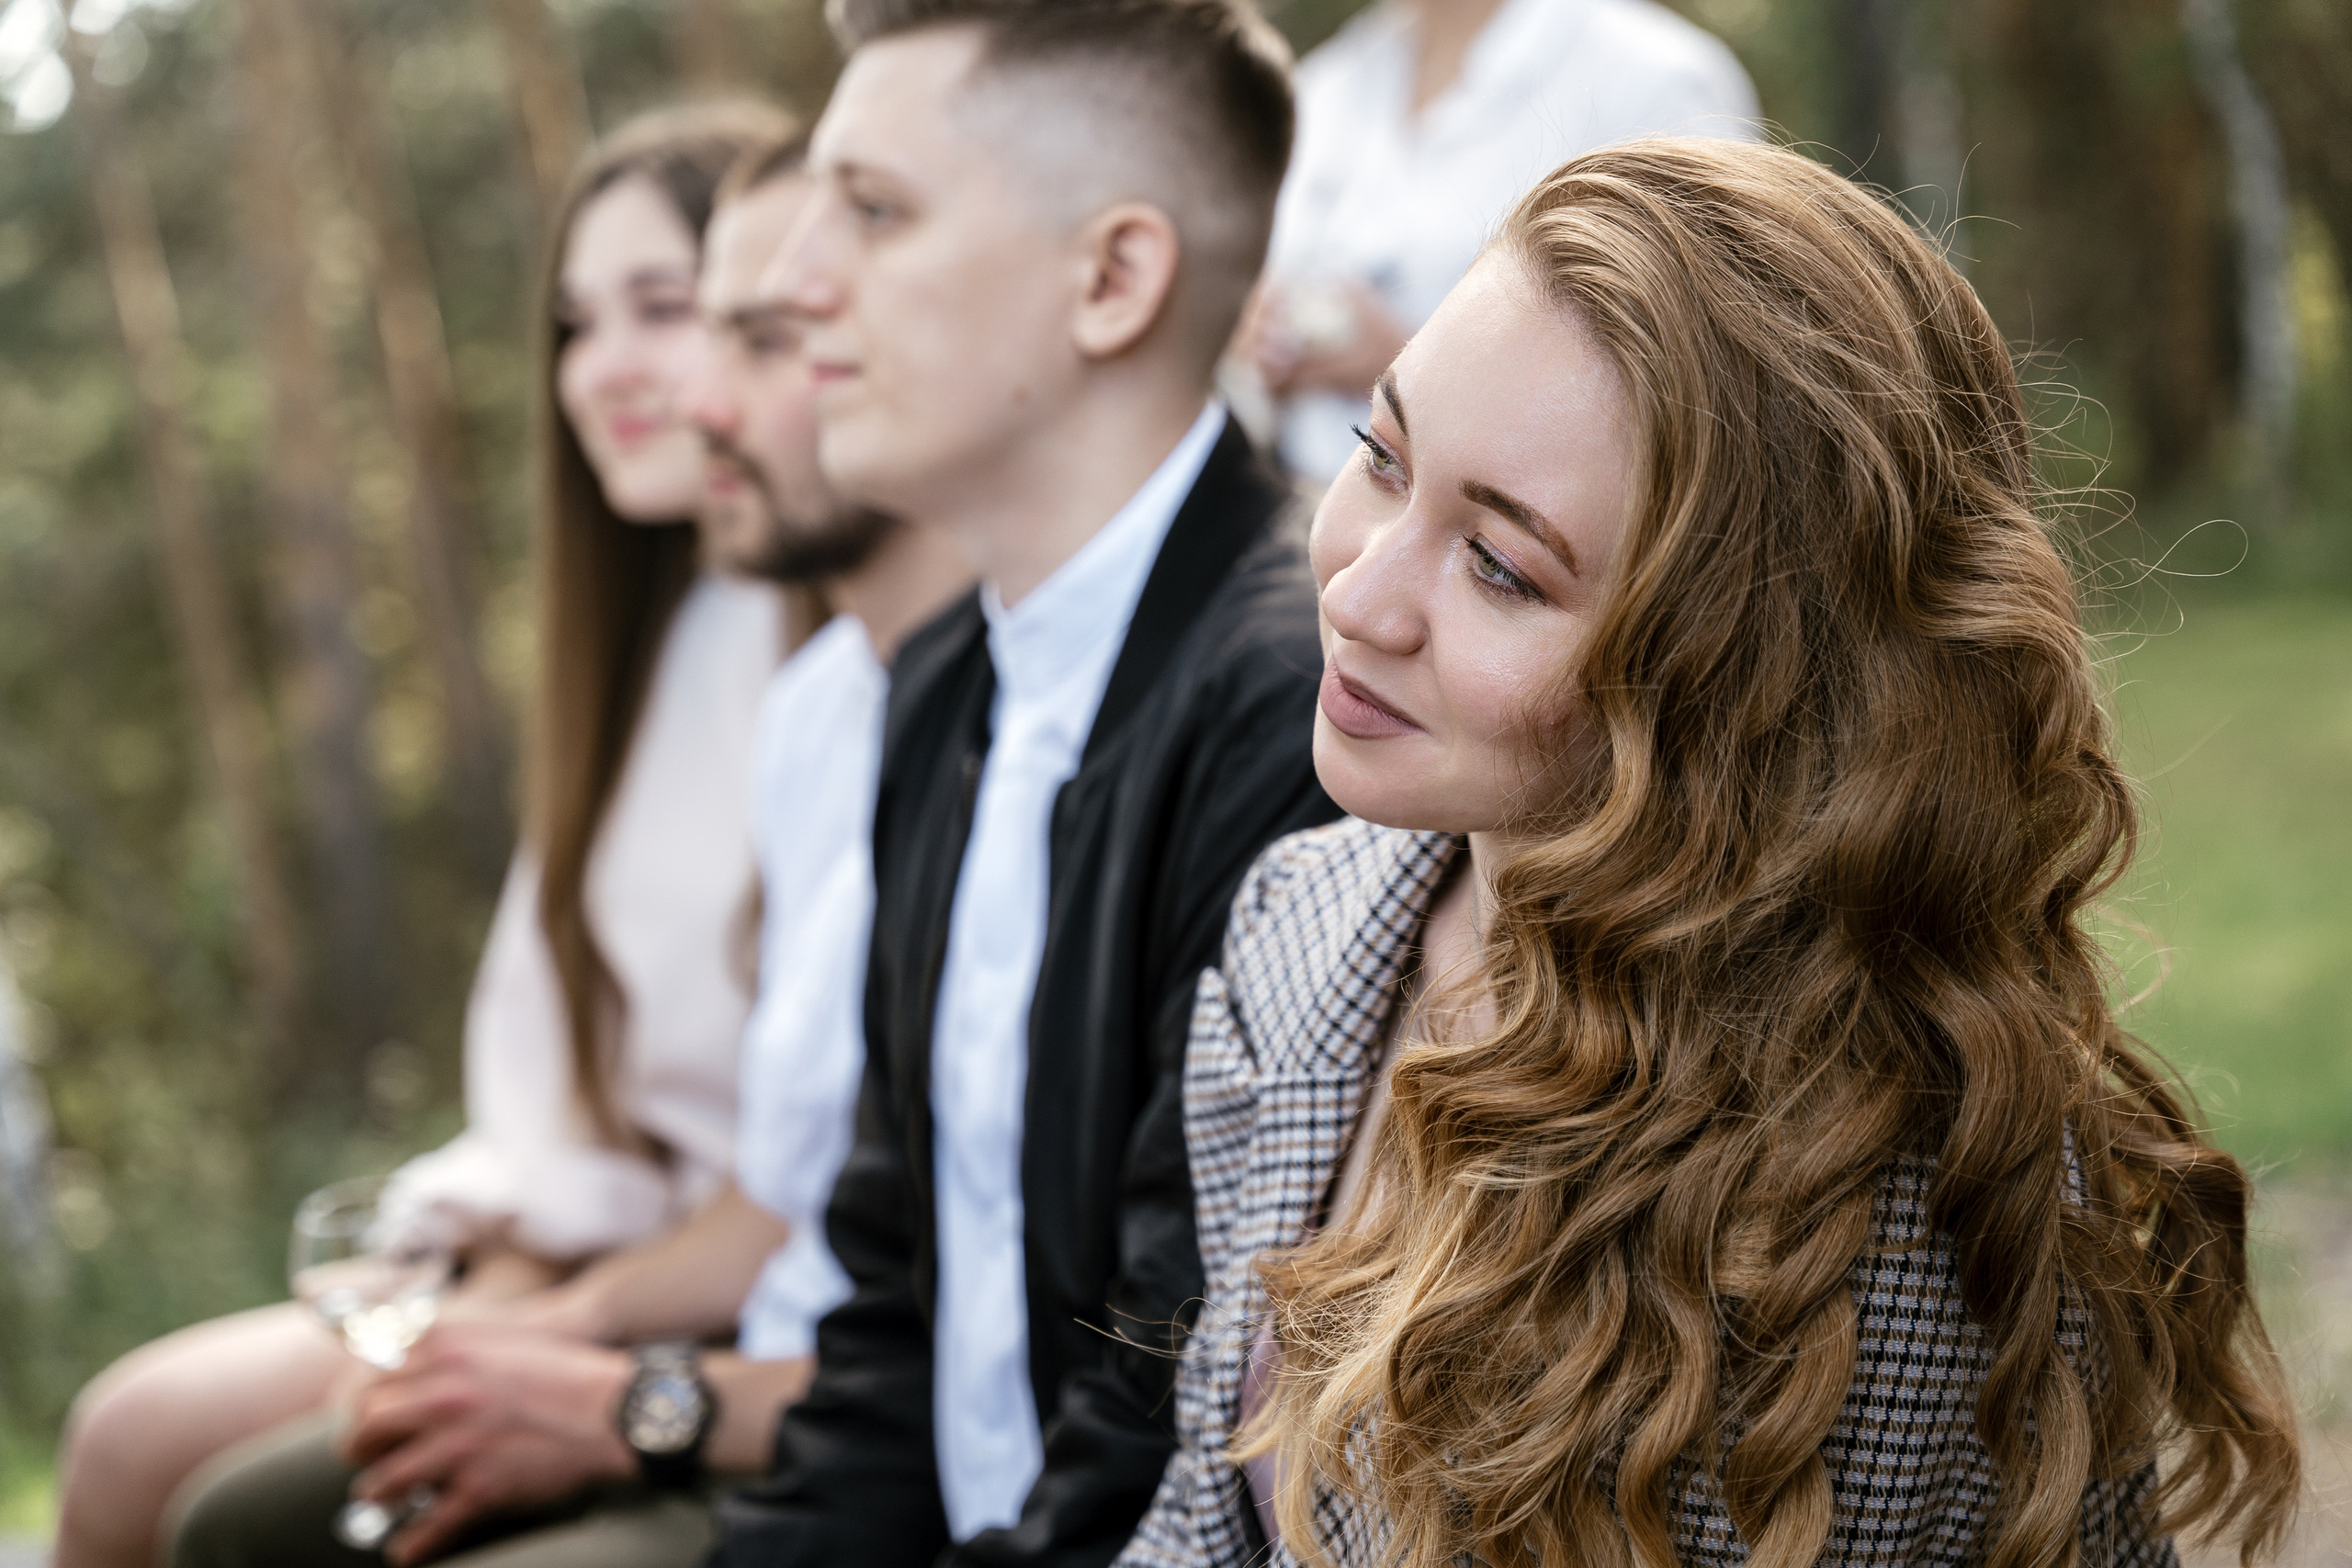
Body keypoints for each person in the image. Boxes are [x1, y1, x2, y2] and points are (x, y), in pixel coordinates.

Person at [1125, 138, 2301, 1568]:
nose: (1362, 592)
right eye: (1383, 457)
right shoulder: (1299, 929)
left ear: (1731, 673)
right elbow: (1205, 1507)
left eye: (1501, 565)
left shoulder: (1863, 1190)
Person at [162, 128, 976, 1568]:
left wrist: (607, 1368)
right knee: (211, 1508)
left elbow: (902, 1276)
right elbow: (729, 1160)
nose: (667, 388)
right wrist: (544, 1307)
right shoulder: (801, 699)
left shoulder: (967, 705)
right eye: (584, 324)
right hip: (697, 1316)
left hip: (779, 1384)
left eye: (720, 326)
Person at [51, 102, 794, 1568]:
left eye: (665, 306)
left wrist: (549, 1313)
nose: (605, 371)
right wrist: (495, 1269)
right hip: (568, 1233)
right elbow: (576, 1095)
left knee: (231, 1491)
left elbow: (806, 1149)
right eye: (577, 323)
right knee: (123, 1429)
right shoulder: (642, 648)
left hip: (704, 1294)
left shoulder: (845, 659)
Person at [715, 0, 1340, 1562]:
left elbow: (1184, 1410)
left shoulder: (1300, 711)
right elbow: (891, 1302)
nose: (798, 286)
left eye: (872, 211)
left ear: (1113, 277)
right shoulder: (936, 692)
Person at [1245, 0, 1757, 481]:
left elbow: (1701, 389)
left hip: (1503, 554)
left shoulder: (1658, 83)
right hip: (1295, 511)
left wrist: (1413, 365)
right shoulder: (1325, 86)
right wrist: (1246, 337)